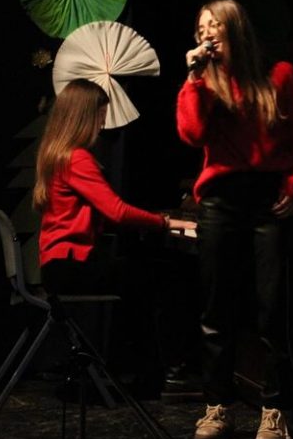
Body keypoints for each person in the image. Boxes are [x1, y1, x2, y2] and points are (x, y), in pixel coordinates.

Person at [176, 0, 293, 439]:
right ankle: (217, 407)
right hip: (221, 200)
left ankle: (274, 410)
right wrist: (194, 80)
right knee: (215, 310)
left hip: (267, 200)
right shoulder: (204, 80)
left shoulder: (280, 75)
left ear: (235, 29)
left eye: (214, 25)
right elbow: (191, 134)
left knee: (272, 310)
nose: (206, 33)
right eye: (201, 27)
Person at [33, 78, 190, 394]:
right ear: (84, 117)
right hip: (70, 266)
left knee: (145, 274)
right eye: (100, 116)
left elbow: (99, 215)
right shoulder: (77, 158)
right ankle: (164, 372)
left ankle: (141, 369)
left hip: (57, 266)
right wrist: (164, 222)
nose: (103, 124)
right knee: (164, 277)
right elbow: (116, 211)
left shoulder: (56, 154)